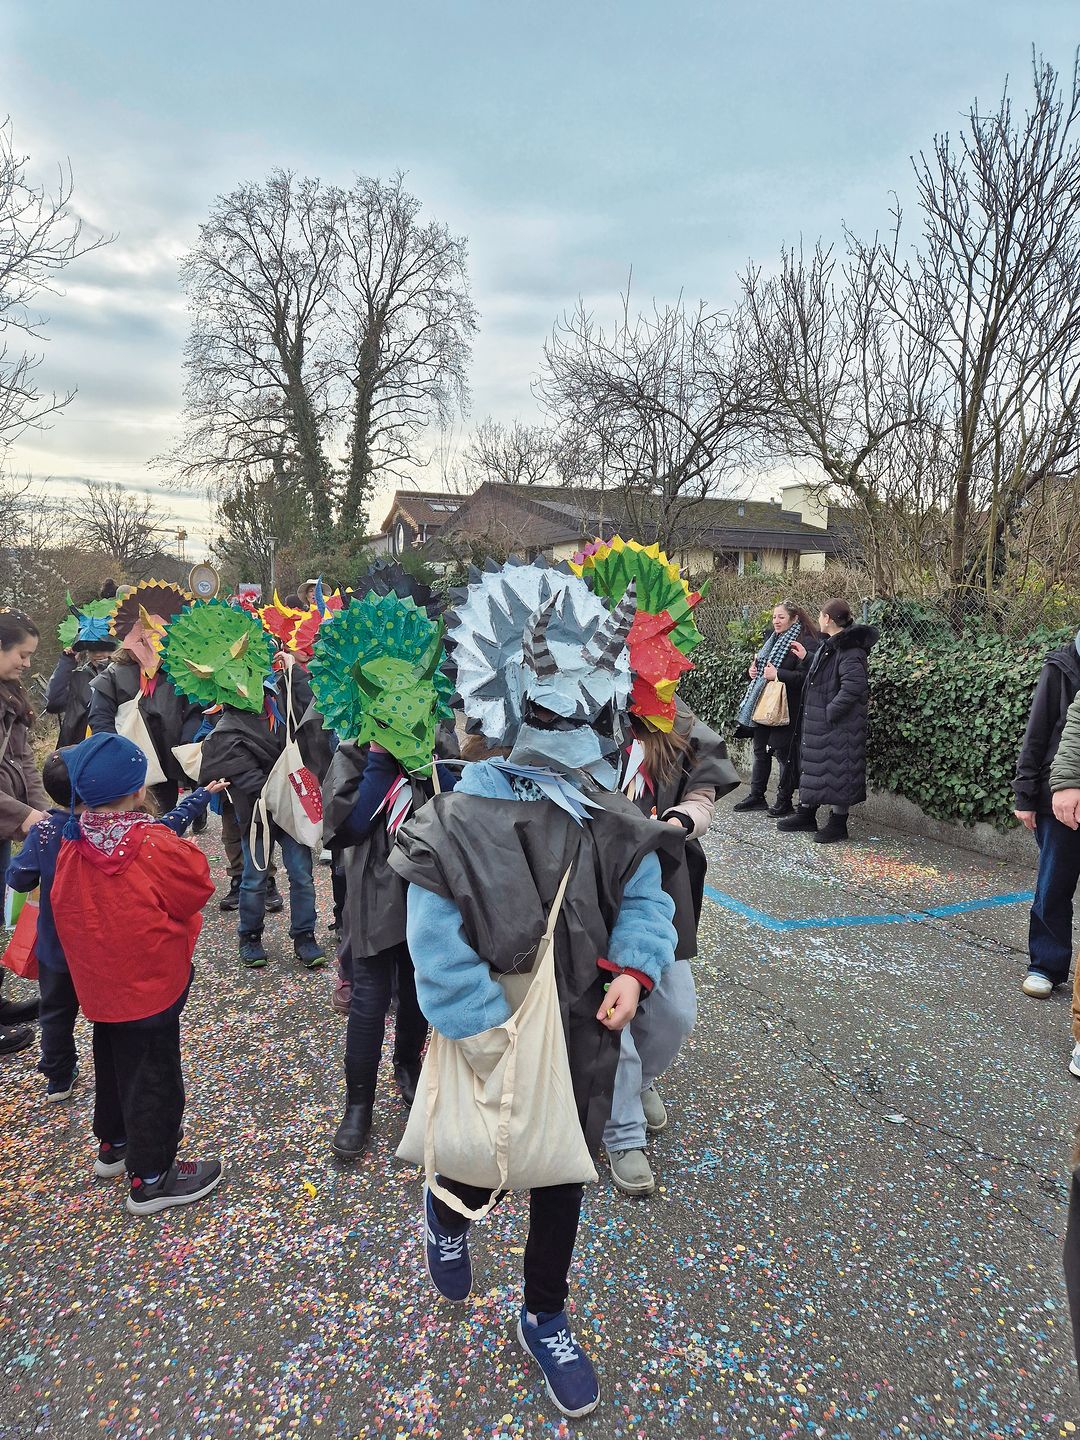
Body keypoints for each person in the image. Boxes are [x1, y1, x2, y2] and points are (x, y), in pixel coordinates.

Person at [390, 563, 681, 1419]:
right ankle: (448, 1214)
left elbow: (644, 897)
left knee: (560, 1176)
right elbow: (433, 942)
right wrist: (480, 1030)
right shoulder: (455, 821)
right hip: (496, 1025)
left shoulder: (609, 816)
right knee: (482, 1158)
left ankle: (544, 1312)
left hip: (582, 1029)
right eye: (557, 710)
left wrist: (634, 969)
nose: (576, 728)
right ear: (510, 705)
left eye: (590, 711)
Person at [311, 586, 456, 1159]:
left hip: (425, 895)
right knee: (370, 1002)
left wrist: (430, 766)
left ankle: (410, 1072)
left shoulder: (435, 749)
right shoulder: (352, 751)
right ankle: (358, 1103)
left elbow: (457, 812)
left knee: (419, 997)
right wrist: (377, 765)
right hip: (374, 895)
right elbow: (340, 828)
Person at [50, 733, 222, 1214]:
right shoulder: (148, 844)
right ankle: (152, 1176)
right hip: (148, 984)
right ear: (137, 791)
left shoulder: (73, 840)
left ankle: (114, 1143)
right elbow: (194, 888)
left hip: (101, 986)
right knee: (154, 1075)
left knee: (111, 1057)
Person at [7, 747, 225, 1104]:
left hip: (56, 946)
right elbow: (171, 825)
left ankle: (58, 1077)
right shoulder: (135, 835)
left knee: (56, 1012)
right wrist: (201, 795)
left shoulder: (46, 831)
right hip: (100, 949)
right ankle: (121, 1101)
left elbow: (18, 878)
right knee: (112, 1021)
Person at [604, 698, 738, 1196]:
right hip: (590, 881)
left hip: (660, 882)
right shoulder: (578, 695)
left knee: (673, 1012)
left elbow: (702, 795)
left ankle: (637, 1083)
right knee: (605, 1007)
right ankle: (621, 1130)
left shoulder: (672, 712)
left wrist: (682, 820)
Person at [88, 583, 201, 812]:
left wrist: (186, 745)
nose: (150, 643)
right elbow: (100, 718)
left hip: (166, 767)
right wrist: (118, 754)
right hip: (126, 771)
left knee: (163, 820)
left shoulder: (180, 676)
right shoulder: (114, 675)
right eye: (143, 638)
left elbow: (194, 712)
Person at [1012, 629, 1080, 1000]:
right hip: (1058, 798)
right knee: (1053, 884)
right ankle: (1046, 965)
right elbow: (1037, 732)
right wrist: (1025, 795)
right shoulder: (1061, 666)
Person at [777, 598, 879, 843]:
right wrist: (807, 658)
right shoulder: (830, 645)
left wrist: (829, 712)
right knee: (817, 769)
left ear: (828, 619)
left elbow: (854, 687)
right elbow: (826, 671)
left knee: (838, 772)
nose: (819, 618)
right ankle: (807, 814)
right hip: (822, 723)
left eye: (821, 615)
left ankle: (838, 823)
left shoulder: (850, 650)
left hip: (838, 725)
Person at [0, 609, 48, 1058]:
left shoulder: (11, 698)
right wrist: (24, 816)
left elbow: (23, 762)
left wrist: (43, 810)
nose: (27, 664)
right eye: (21, 654)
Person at [733, 603, 819, 816]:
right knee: (760, 751)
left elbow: (807, 677)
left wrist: (779, 674)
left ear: (794, 618)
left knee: (784, 754)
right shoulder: (772, 638)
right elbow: (762, 669)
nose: (776, 621)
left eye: (781, 617)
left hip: (788, 706)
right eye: (774, 617)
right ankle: (757, 796)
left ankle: (784, 801)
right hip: (764, 702)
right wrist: (751, 672)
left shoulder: (806, 641)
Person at [46, 600, 119, 748]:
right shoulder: (79, 678)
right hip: (78, 750)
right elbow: (53, 703)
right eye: (92, 650)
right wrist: (67, 662)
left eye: (104, 648)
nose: (98, 654)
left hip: (112, 747)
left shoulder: (124, 677)